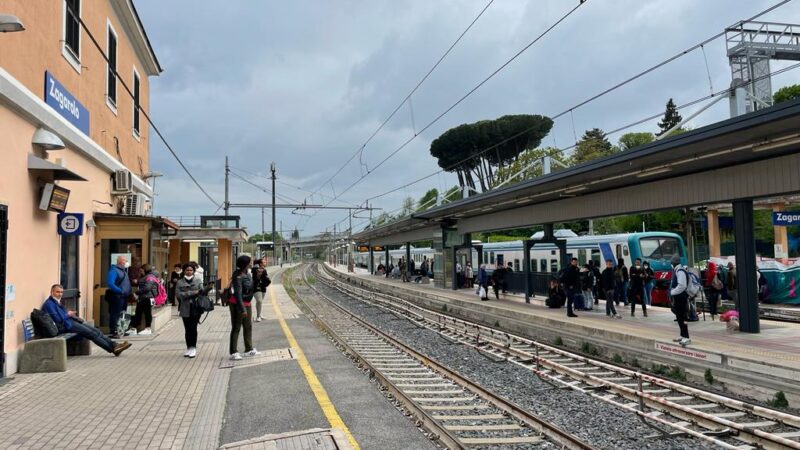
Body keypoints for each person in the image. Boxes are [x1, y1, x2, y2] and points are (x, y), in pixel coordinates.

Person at [43, 284, 131, 356]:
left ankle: (114, 345)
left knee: (96, 331)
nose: (60, 294)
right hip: (66, 326)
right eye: (57, 292)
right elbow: (58, 319)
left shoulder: (56, 301)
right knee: (92, 334)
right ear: (52, 292)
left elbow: (61, 314)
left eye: (61, 292)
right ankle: (112, 349)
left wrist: (68, 314)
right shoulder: (49, 303)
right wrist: (67, 314)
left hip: (69, 322)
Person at [229, 255, 260, 360]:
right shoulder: (237, 276)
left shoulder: (248, 273)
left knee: (248, 326)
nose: (251, 264)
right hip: (238, 304)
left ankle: (249, 349)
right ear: (245, 264)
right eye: (249, 262)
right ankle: (233, 352)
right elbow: (237, 294)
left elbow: (250, 288)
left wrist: (258, 277)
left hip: (247, 303)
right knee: (236, 327)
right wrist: (242, 309)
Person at [176, 264, 206, 358]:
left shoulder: (198, 280)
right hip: (185, 307)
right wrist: (192, 293)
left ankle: (193, 347)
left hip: (196, 307)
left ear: (193, 271)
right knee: (187, 329)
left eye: (191, 270)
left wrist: (207, 288)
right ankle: (188, 347)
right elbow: (178, 294)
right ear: (184, 271)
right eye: (187, 270)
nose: (189, 272)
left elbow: (202, 292)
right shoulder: (180, 282)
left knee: (193, 328)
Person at [129, 264, 159, 336]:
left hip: (147, 298)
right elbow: (143, 285)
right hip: (143, 297)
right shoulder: (145, 276)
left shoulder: (150, 277)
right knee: (138, 313)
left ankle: (148, 329)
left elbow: (147, 288)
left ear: (146, 269)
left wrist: (136, 293)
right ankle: (134, 328)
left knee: (147, 313)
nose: (140, 272)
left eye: (141, 270)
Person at [106, 255, 131, 338]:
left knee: (122, 313)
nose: (126, 262)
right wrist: (120, 291)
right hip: (117, 296)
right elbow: (110, 284)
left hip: (124, 296)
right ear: (120, 261)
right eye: (124, 260)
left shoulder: (123, 271)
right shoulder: (114, 271)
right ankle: (114, 331)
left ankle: (121, 329)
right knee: (115, 314)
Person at [669, 255, 691, 346]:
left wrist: (672, 292)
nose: (671, 264)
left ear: (674, 263)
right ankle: (682, 335)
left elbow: (682, 285)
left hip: (681, 298)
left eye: (671, 263)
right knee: (679, 317)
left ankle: (687, 337)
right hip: (678, 298)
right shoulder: (677, 270)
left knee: (682, 317)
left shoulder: (680, 271)